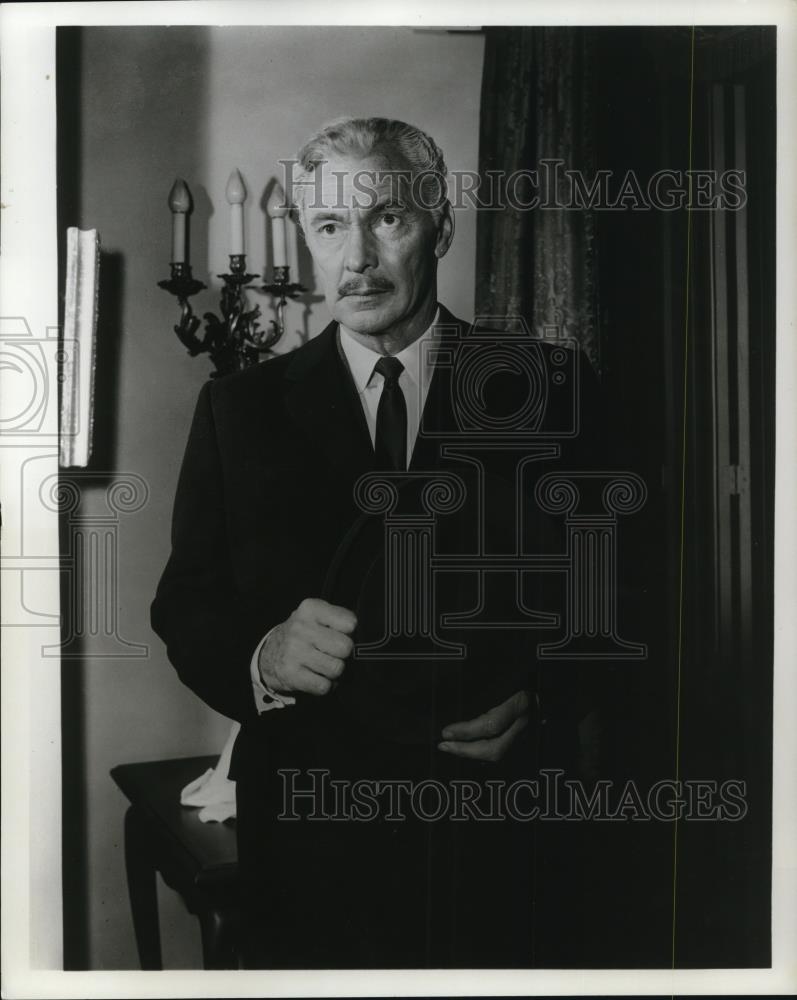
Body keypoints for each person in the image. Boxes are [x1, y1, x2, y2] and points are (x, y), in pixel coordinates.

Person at [152, 117, 602, 969]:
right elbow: (188, 602)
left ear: (439, 227)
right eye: (329, 227)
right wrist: (262, 655)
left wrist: (543, 697)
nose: (356, 256)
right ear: (309, 247)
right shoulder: (239, 411)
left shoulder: (547, 389)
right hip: (314, 852)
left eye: (385, 219)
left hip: (499, 840)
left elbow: (622, 589)